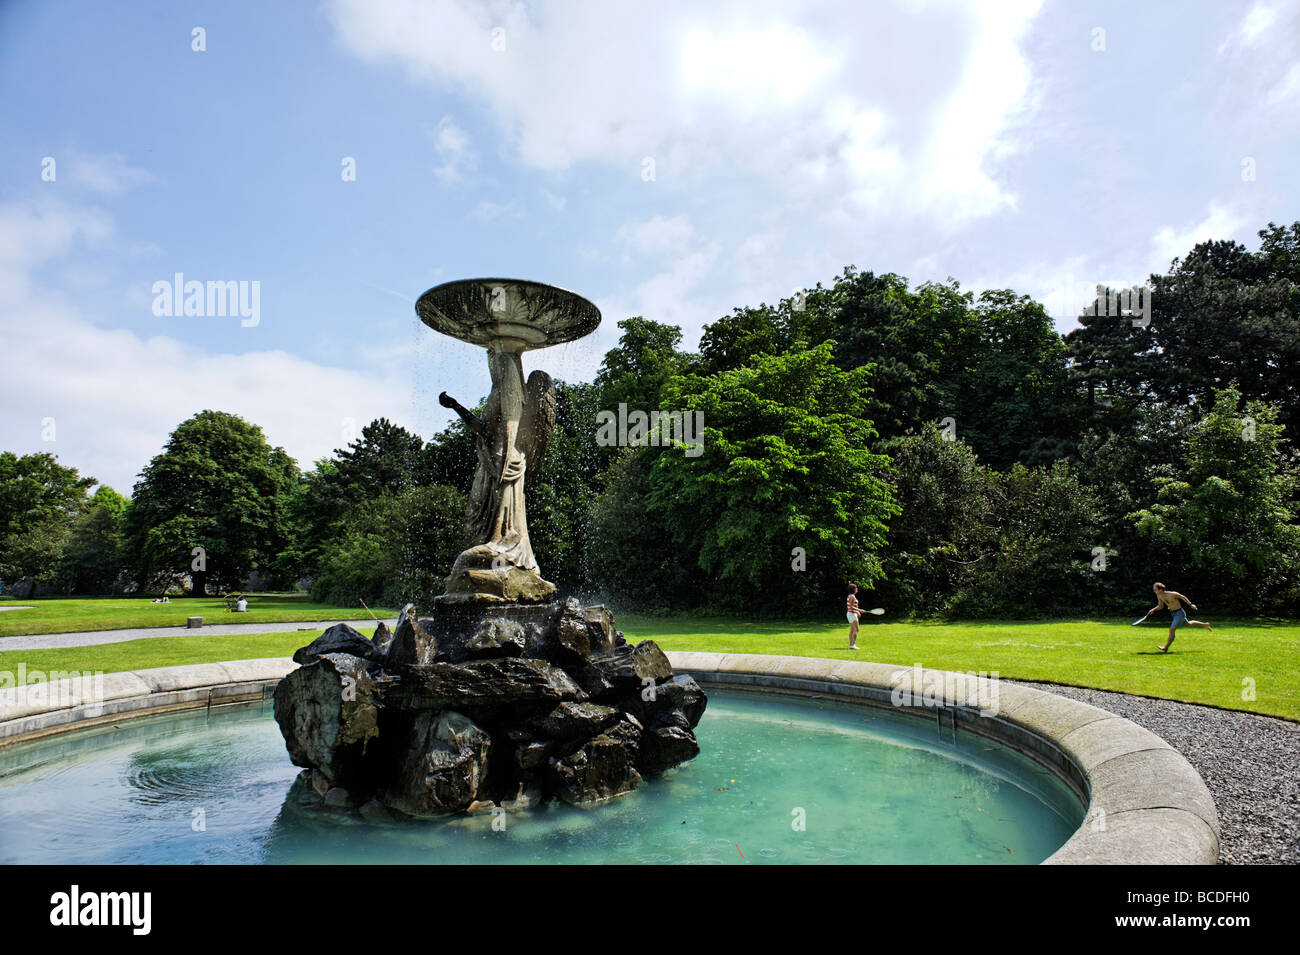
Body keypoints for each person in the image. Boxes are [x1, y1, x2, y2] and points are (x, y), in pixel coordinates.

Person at [1147, 582, 1211, 652]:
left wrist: (1191, 604)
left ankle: (1165, 647)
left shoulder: (1172, 594)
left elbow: (1182, 597)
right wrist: (1154, 609)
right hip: (1173, 614)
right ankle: (1205, 624)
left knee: (1172, 629)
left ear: (1161, 590)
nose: (1154, 591)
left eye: (1155, 590)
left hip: (1179, 613)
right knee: (1188, 624)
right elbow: (1161, 606)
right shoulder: (1159, 596)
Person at [846, 584, 862, 650]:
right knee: (856, 629)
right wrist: (860, 610)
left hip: (851, 614)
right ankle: (852, 645)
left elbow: (852, 607)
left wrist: (857, 612)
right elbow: (852, 607)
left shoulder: (850, 596)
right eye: (856, 588)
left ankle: (851, 644)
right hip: (852, 614)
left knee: (852, 630)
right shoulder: (852, 597)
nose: (857, 589)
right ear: (854, 589)